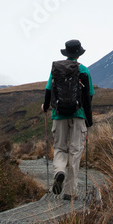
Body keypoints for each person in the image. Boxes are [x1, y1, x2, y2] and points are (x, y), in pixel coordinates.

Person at [41, 39, 94, 201]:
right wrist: (89, 120)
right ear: (78, 53)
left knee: (60, 148)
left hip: (59, 115)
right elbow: (89, 96)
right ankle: (70, 192)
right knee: (75, 151)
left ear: (66, 52)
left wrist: (45, 107)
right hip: (78, 115)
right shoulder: (83, 70)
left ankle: (59, 171)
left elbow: (48, 91)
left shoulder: (56, 69)